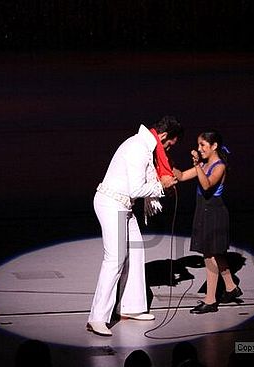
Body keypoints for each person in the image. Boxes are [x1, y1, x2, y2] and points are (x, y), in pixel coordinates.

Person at [87, 115, 183, 336]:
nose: (168, 150)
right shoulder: (139, 148)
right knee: (115, 259)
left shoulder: (144, 146)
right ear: (165, 136)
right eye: (169, 144)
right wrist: (161, 185)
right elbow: (136, 190)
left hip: (124, 206)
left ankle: (130, 307)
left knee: (136, 251)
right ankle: (97, 317)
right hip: (113, 204)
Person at [173, 129, 242, 314]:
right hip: (204, 212)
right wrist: (165, 167)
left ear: (214, 146)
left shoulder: (219, 166)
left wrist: (197, 165)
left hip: (215, 213)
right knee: (216, 253)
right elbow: (180, 176)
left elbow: (207, 184)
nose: (199, 148)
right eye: (198, 145)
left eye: (203, 145)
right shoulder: (203, 164)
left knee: (209, 255)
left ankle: (210, 301)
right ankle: (230, 287)